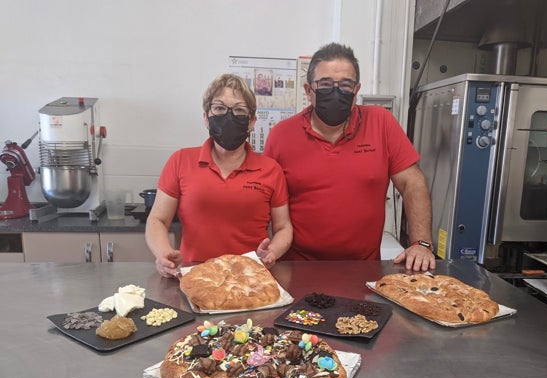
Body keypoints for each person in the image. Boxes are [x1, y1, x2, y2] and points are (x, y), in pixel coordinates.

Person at [263, 43, 435, 271]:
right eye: (325, 84)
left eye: (345, 85)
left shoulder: (381, 123)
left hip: (362, 271)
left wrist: (421, 243)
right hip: (297, 271)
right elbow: (265, 201)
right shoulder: (281, 135)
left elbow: (412, 182)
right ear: (308, 91)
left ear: (356, 90)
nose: (335, 92)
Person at [146, 74, 293, 278]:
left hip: (250, 278)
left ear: (251, 122)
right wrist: (163, 254)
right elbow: (157, 220)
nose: (229, 116)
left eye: (239, 110)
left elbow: (283, 227)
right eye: (219, 108)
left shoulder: (271, 170)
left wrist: (272, 252)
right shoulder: (180, 161)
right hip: (195, 277)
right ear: (206, 118)